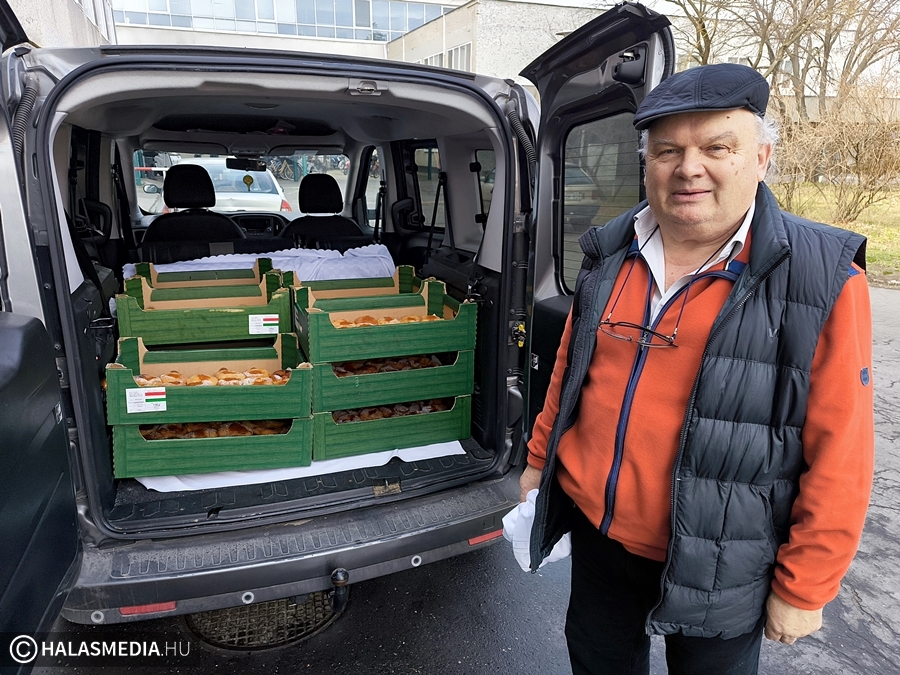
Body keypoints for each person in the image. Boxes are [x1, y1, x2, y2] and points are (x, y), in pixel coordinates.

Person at [520, 63, 874, 675]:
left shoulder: (823, 276)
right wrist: (536, 462)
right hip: (601, 539)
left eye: (717, 148)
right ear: (647, 164)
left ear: (760, 158)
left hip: (723, 559)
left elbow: (842, 447)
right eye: (668, 151)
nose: (688, 168)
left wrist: (806, 584)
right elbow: (570, 375)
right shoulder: (611, 252)